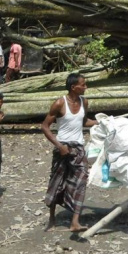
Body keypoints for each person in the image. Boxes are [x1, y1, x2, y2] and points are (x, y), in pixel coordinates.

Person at [41, 73, 96, 232]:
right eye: (83, 84)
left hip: (78, 148)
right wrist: (59, 146)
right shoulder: (60, 103)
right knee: (57, 181)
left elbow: (84, 121)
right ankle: (52, 219)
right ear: (73, 87)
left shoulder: (84, 102)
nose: (85, 87)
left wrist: (101, 122)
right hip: (62, 148)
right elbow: (45, 126)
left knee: (81, 180)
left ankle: (75, 222)